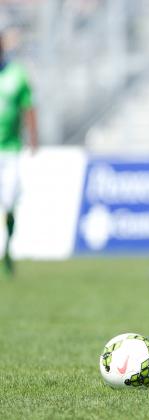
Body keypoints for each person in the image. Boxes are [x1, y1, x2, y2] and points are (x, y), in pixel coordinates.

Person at [0, 32, 37, 277]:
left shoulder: (17, 74)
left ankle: (8, 248)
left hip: (10, 149)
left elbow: (28, 107)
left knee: (9, 202)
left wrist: (34, 139)